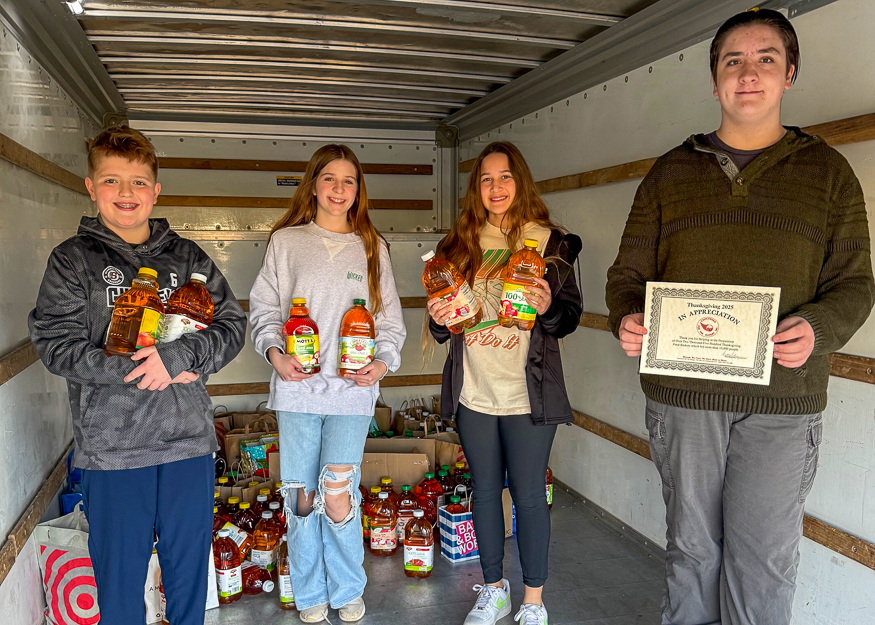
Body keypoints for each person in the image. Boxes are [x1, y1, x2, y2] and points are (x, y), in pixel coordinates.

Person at [605, 10, 874, 625]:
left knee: (763, 564)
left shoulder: (829, 174)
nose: (748, 73)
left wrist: (819, 329)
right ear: (714, 79)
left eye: (766, 59)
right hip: (684, 398)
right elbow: (627, 275)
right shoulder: (670, 172)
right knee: (692, 553)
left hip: (783, 402)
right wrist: (628, 316)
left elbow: (856, 283)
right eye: (733, 61)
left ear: (789, 74)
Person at [28, 126, 247, 625]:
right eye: (111, 180)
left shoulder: (188, 258)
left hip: (188, 443)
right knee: (120, 587)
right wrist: (138, 367)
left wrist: (183, 357)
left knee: (188, 581)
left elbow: (232, 327)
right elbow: (56, 346)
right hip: (114, 448)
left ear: (156, 191)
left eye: (138, 182)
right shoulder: (73, 261)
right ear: (91, 187)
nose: (126, 193)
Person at [249, 144, 406, 623]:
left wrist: (382, 364)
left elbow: (389, 322)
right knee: (302, 498)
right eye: (330, 179)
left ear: (359, 190)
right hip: (297, 391)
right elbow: (264, 310)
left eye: (349, 181)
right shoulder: (286, 242)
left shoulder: (373, 247)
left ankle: (347, 588)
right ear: (313, 185)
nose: (339, 189)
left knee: (338, 494)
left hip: (351, 394)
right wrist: (275, 354)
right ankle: (310, 592)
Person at [427, 142, 582, 625]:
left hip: (527, 392)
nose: (496, 188)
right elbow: (444, 325)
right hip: (474, 390)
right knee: (484, 490)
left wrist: (547, 306)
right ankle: (494, 590)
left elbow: (568, 318)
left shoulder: (552, 243)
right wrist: (437, 318)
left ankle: (533, 601)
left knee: (530, 495)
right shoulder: (458, 244)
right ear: (476, 188)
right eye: (486, 179)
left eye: (505, 177)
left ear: (521, 182)